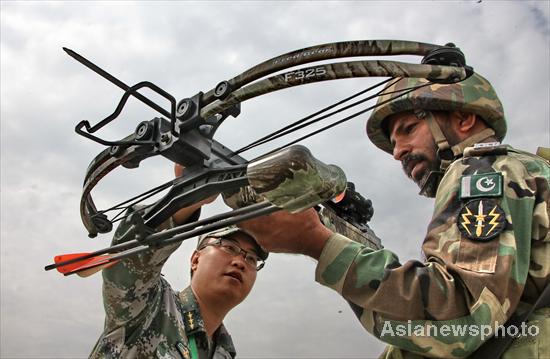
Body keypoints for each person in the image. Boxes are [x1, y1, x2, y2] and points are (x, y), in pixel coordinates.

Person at [239, 72, 549, 358]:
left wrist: (318, 244)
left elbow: (462, 318)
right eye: (394, 142)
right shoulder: (526, 171)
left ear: (464, 118)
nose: (398, 151)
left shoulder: (486, 171)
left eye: (408, 129)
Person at [89, 192, 268, 359]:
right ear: (195, 259)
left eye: (251, 258)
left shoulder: (224, 352)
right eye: (229, 247)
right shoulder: (150, 304)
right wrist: (192, 196)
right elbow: (131, 256)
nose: (240, 262)